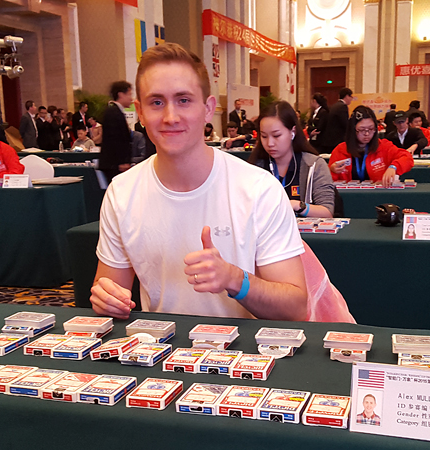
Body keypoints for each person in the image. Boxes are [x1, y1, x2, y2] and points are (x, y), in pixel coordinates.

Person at [90, 42, 308, 321]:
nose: (170, 117)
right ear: (140, 113)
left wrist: (234, 278)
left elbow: (295, 309)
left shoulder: (258, 189)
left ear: (208, 109)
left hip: (248, 358)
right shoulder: (121, 192)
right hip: (158, 355)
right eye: (157, 102)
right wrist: (106, 299)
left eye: (184, 100)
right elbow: (110, 290)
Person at [248, 100, 335, 218]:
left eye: (276, 135)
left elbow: (327, 212)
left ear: (292, 132)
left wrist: (296, 205)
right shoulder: (254, 168)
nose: (270, 143)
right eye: (264, 136)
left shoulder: (313, 165)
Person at [330, 105, 414, 187]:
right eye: (362, 130)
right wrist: (332, 171)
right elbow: (327, 182)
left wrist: (393, 167)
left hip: (378, 196)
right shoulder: (340, 150)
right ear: (353, 129)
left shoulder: (383, 146)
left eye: (371, 129)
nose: (367, 134)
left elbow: (407, 158)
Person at [98, 80, 133, 181]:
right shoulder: (113, 112)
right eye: (129, 94)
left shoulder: (115, 111)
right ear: (121, 95)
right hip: (114, 164)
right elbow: (115, 139)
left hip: (114, 164)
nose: (131, 98)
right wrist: (122, 161)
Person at [323, 88, 353, 153]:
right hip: (337, 140)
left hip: (330, 140)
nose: (351, 99)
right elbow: (345, 124)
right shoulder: (342, 106)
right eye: (351, 97)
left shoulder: (334, 105)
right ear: (347, 96)